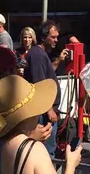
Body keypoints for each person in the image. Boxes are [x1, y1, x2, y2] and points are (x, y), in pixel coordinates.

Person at [24, 22, 66, 157]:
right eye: (53, 37)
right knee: (47, 151)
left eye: (56, 37)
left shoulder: (40, 54)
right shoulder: (37, 55)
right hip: (43, 112)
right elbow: (39, 83)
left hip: (45, 110)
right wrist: (49, 110)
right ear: (43, 37)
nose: (56, 40)